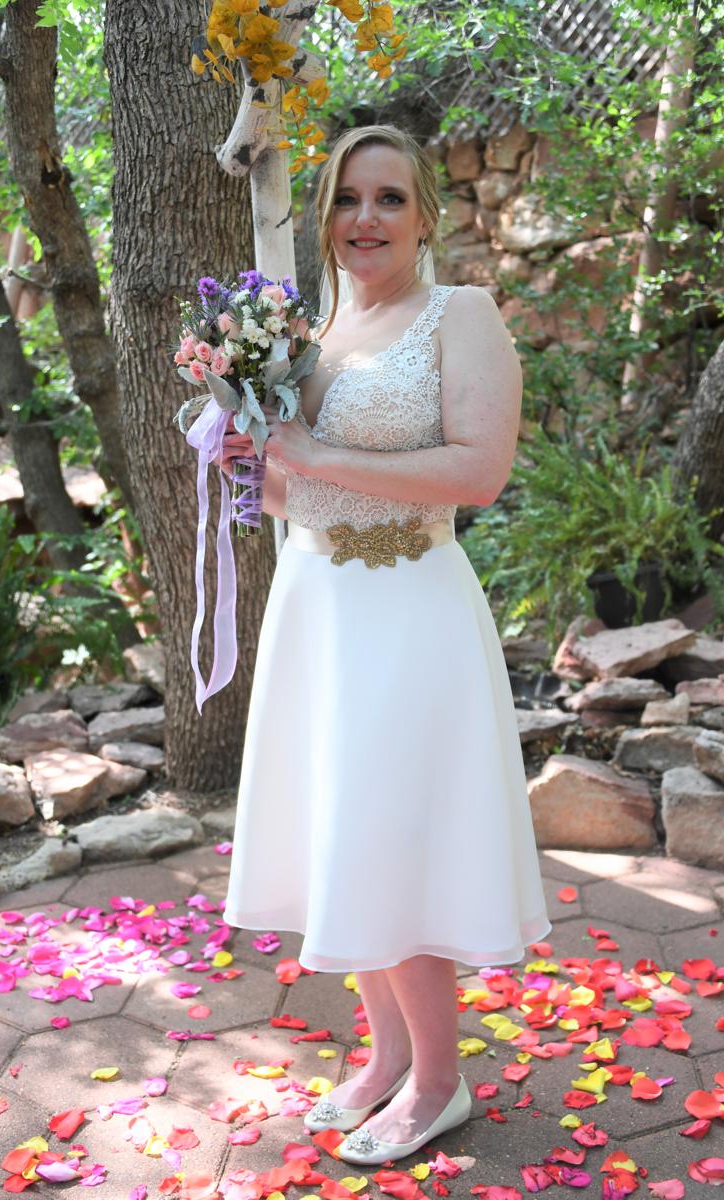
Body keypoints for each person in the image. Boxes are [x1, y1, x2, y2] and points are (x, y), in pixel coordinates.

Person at [214, 124, 552, 1165]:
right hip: (318, 606)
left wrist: (311, 452)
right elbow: (302, 493)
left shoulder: (460, 315)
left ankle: (439, 1083)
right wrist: (251, 466)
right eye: (349, 199)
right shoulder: (311, 332)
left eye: (390, 198)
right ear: (324, 217)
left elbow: (478, 471)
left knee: (393, 829)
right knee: (341, 829)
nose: (367, 218)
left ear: (424, 215)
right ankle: (386, 1055)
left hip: (409, 609)